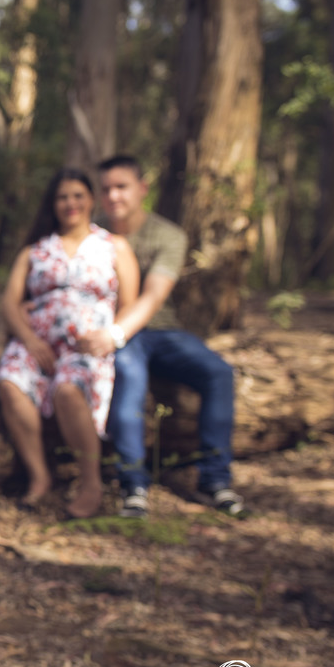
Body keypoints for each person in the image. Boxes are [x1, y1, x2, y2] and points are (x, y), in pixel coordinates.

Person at [88, 154, 246, 519]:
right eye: (107, 189)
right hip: (120, 340)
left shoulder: (168, 235)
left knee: (219, 373)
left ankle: (215, 479)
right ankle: (133, 486)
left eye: (122, 187)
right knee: (128, 381)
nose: (114, 196)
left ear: (142, 189)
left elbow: (154, 295)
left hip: (159, 331)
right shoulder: (93, 233)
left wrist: (115, 333)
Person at [0, 168, 139, 518]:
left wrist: (111, 336)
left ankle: (91, 483)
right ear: (52, 204)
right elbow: (10, 303)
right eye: (62, 197)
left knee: (68, 391)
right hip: (36, 342)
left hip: (87, 344)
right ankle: (39, 477)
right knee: (10, 382)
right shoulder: (35, 251)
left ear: (91, 200)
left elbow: (129, 302)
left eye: (77, 195)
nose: (70, 203)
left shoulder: (113, 246)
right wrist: (29, 340)